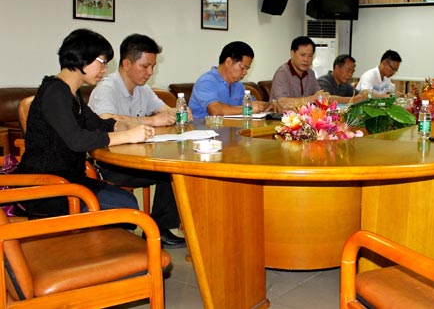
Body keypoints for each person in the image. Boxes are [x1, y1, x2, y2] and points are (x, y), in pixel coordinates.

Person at [18, 28, 153, 218]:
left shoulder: (71, 92)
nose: (104, 70)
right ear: (82, 57)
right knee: (127, 206)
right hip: (48, 190)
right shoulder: (55, 92)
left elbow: (96, 123)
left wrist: (121, 126)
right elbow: (77, 140)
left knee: (127, 201)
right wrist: (127, 136)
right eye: (102, 62)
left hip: (69, 182)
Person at [88, 33, 186, 248]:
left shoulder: (143, 89)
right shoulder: (106, 88)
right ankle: (159, 230)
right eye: (145, 66)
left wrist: (179, 111)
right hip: (109, 162)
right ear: (126, 64)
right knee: (170, 172)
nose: (150, 72)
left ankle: (161, 229)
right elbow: (105, 119)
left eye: (153, 66)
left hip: (137, 154)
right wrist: (152, 120)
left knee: (175, 165)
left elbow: (164, 109)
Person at [189, 41, 269, 118]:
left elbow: (255, 105)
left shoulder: (238, 85)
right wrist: (247, 109)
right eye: (243, 67)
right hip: (204, 127)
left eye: (247, 69)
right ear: (229, 62)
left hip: (229, 126)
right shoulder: (206, 81)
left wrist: (271, 104)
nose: (245, 72)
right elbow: (215, 111)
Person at [269, 36, 327, 110]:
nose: (306, 59)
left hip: (304, 116)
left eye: (310, 56)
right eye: (302, 55)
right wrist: (311, 99)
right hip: (282, 117)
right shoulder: (282, 73)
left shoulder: (310, 73)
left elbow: (319, 95)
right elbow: (282, 103)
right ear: (292, 53)